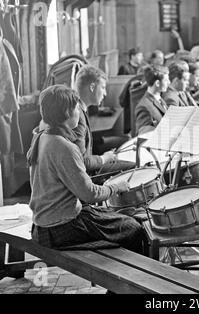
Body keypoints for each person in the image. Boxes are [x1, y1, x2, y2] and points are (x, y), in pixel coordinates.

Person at [27, 85, 145, 253]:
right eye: (76, 107)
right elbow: (89, 194)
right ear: (67, 112)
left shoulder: (40, 136)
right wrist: (116, 187)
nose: (79, 111)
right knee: (133, 229)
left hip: (41, 224)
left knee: (116, 216)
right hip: (61, 229)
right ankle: (132, 276)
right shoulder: (64, 147)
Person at [40, 65, 135, 175]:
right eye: (103, 87)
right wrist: (104, 158)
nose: (105, 93)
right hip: (88, 174)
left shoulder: (79, 109)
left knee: (123, 141)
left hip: (88, 163)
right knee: (134, 166)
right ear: (92, 87)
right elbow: (82, 162)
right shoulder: (76, 116)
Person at [135, 64, 170, 135]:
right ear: (157, 83)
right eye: (166, 80)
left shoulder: (159, 99)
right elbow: (144, 137)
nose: (169, 82)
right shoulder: (144, 107)